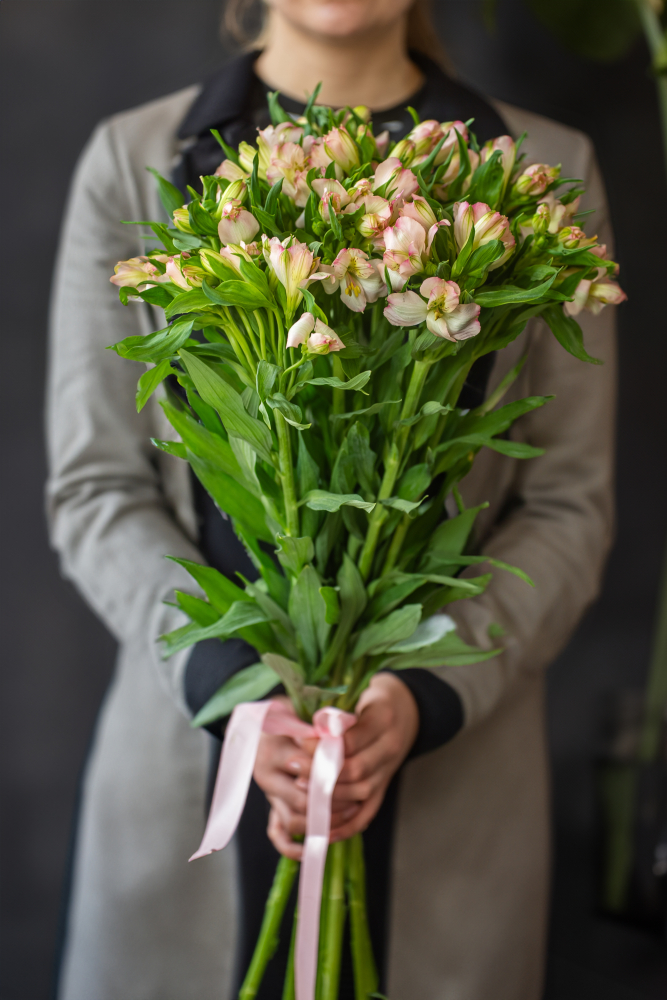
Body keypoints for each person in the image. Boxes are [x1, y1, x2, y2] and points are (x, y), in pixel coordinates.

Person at [46, 1, 616, 998]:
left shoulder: (545, 175)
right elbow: (96, 490)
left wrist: (424, 694)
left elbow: (570, 507)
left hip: (451, 800)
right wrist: (232, 687)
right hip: (192, 780)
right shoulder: (132, 158)